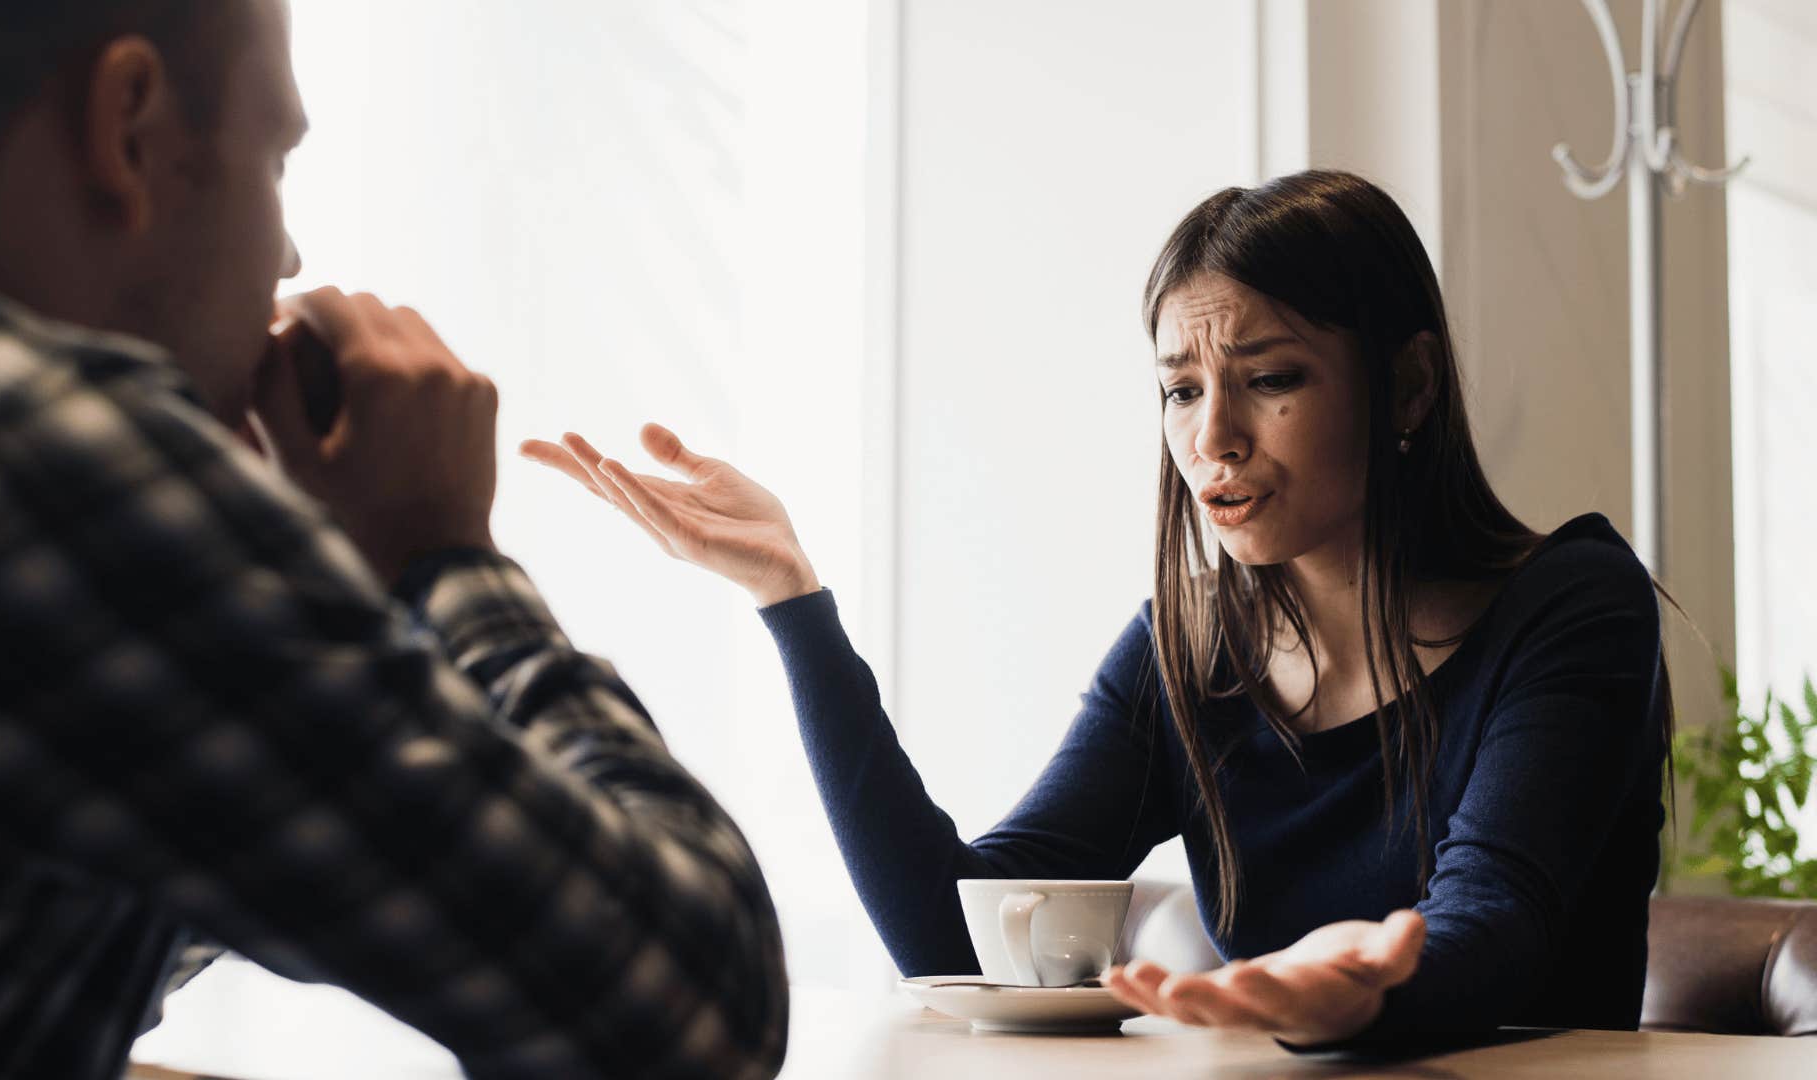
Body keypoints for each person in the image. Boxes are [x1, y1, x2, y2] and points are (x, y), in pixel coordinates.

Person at [523, 170, 1672, 1050]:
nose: (1210, 437)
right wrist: (794, 603)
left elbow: (1496, 924)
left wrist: (1358, 987)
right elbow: (956, 929)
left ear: (1408, 385)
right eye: (1180, 388)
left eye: (1270, 379)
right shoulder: (1189, 651)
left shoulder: (1569, 609)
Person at [0, 2, 787, 1077]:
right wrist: (442, 558)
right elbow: (695, 1015)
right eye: (274, 157)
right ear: (124, 126)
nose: (288, 251)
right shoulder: (33, 445)